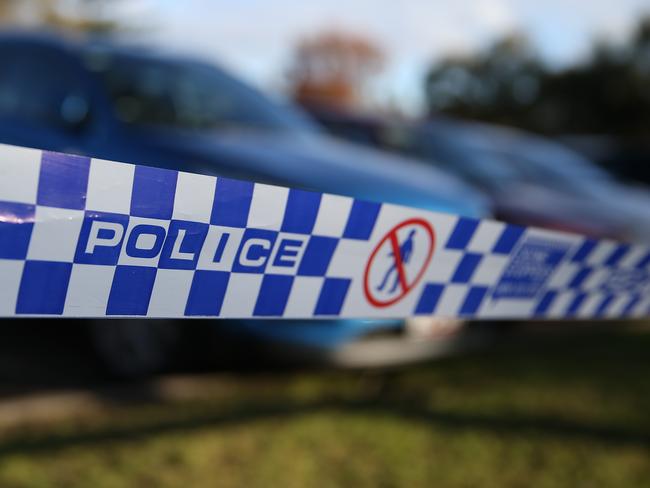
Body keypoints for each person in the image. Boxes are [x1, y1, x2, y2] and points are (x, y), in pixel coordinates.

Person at [377, 229, 416, 293]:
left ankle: (392, 289)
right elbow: (400, 249)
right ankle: (384, 287)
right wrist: (392, 253)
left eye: (411, 233)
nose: (410, 234)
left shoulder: (410, 241)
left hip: (401, 260)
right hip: (398, 259)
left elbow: (409, 251)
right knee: (390, 273)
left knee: (396, 275)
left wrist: (406, 259)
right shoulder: (406, 240)